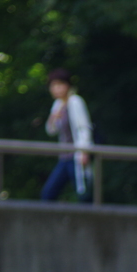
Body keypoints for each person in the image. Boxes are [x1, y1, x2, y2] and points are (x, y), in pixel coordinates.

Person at [42, 68, 93, 202]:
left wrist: (84, 151)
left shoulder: (75, 101)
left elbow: (84, 128)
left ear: (67, 85)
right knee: (48, 193)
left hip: (76, 157)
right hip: (64, 157)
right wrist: (53, 118)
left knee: (84, 195)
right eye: (53, 86)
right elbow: (51, 130)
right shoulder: (57, 104)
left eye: (59, 85)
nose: (56, 89)